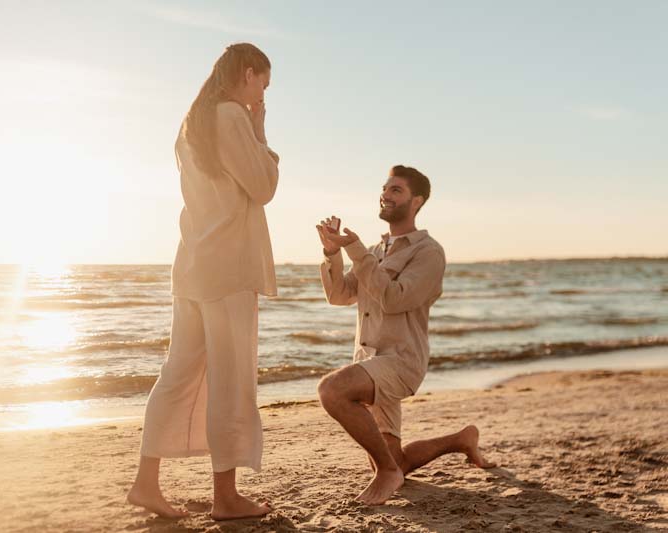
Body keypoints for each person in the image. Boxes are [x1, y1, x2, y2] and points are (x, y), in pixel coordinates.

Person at [127, 43, 279, 520]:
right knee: (231, 383)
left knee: (177, 374)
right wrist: (259, 129)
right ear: (249, 74)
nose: (262, 95)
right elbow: (265, 186)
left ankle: (146, 482)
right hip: (228, 268)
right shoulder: (232, 116)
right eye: (263, 85)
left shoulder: (191, 124)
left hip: (192, 264)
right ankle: (226, 497)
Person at [315, 165, 495, 505]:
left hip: (400, 363)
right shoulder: (376, 251)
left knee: (332, 390)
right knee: (396, 458)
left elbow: (395, 299)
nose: (385, 194)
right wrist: (332, 252)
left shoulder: (428, 252)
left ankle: (387, 474)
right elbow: (339, 295)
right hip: (369, 361)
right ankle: (460, 440)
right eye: (384, 188)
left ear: (417, 201)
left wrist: (356, 251)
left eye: (395, 190)